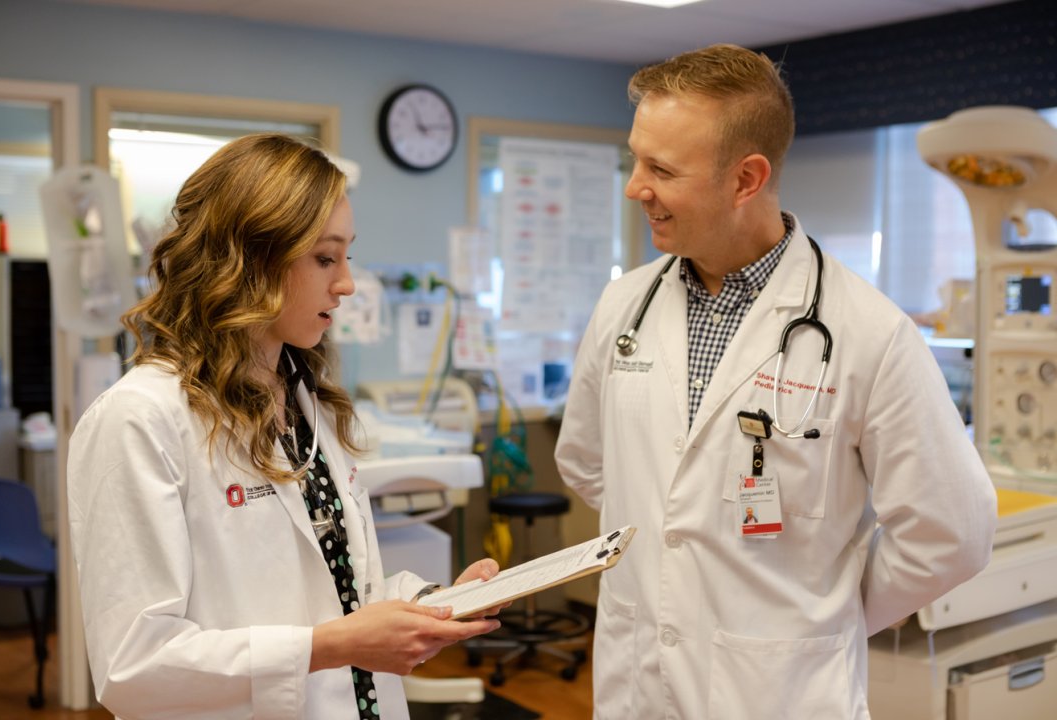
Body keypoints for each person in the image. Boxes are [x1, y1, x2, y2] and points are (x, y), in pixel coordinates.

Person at [554, 44, 997, 718]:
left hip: (782, 694)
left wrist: (820, 616)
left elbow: (952, 531)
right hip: (637, 685)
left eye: (661, 169)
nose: (634, 186)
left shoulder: (868, 333)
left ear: (746, 178)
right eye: (635, 158)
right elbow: (588, 463)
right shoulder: (625, 306)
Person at [67, 133, 501, 720]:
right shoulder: (139, 420)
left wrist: (431, 604)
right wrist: (332, 646)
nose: (346, 283)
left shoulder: (301, 399)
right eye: (325, 257)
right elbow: (133, 667)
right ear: (248, 260)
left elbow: (340, 581)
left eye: (347, 256)